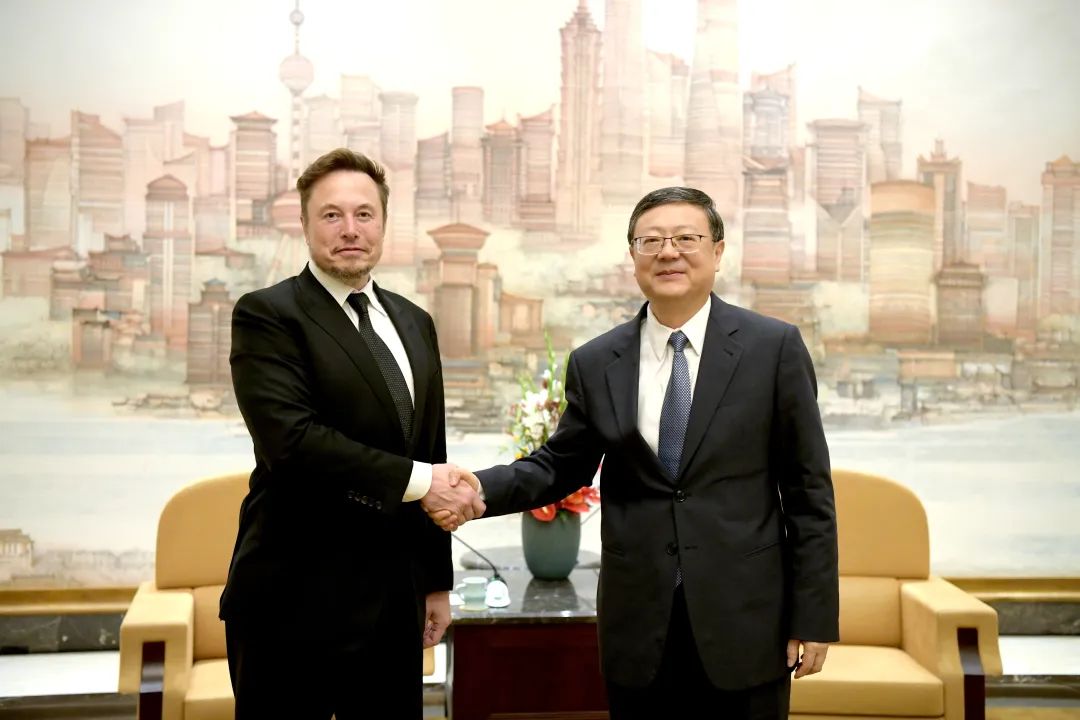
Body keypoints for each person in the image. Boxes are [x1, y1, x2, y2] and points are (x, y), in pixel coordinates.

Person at [443, 187, 839, 719]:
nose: (668, 252)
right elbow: (560, 465)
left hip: (746, 619)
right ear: (632, 256)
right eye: (650, 241)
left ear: (717, 251)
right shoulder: (596, 361)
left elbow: (809, 493)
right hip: (639, 624)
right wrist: (477, 489)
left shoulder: (773, 348)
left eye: (686, 238)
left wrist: (813, 616)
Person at [220, 148, 484, 719]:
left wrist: (435, 582)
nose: (350, 229)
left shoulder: (414, 321)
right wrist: (422, 482)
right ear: (304, 223)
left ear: (383, 223)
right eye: (332, 215)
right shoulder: (268, 315)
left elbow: (430, 450)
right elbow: (292, 441)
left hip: (392, 603)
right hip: (290, 600)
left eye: (364, 214)